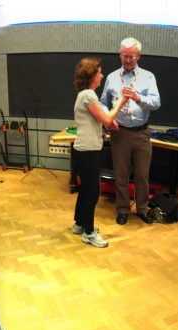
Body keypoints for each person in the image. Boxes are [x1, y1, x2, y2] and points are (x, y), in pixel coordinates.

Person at [100, 37, 161, 225]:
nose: (127, 60)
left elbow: (156, 103)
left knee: (142, 175)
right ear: (120, 55)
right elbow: (102, 102)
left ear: (139, 56)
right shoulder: (111, 77)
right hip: (120, 133)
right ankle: (123, 209)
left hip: (142, 133)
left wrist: (138, 97)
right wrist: (108, 119)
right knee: (121, 174)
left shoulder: (148, 77)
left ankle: (142, 208)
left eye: (131, 56)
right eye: (124, 56)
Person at [69, 57, 129, 248]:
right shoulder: (89, 95)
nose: (102, 76)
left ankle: (79, 224)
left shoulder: (84, 95)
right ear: (91, 75)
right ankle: (88, 233)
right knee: (93, 191)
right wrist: (120, 102)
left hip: (84, 149)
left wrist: (109, 121)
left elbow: (101, 120)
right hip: (87, 151)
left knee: (86, 189)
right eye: (99, 72)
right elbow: (106, 119)